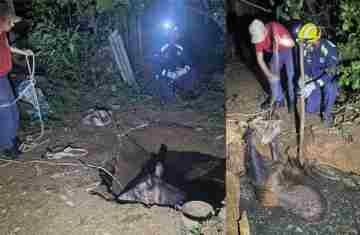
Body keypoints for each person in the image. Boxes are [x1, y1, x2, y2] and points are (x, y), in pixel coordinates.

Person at [0, 3, 34, 158]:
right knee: (6, 110)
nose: (13, 24)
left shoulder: (2, 34)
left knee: (12, 108)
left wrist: (23, 52)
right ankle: (7, 146)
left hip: (3, 76)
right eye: (10, 21)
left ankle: (12, 138)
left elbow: (7, 48)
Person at [295, 23, 339, 127]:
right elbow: (304, 65)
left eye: (306, 41)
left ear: (315, 39)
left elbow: (331, 72)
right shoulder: (306, 48)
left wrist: (313, 85)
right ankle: (318, 104)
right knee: (310, 110)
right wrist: (303, 78)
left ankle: (327, 115)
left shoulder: (329, 48)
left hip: (328, 78)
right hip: (313, 76)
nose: (304, 44)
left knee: (330, 88)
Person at [249, 19, 296, 112]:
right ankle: (278, 99)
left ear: (264, 31)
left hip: (287, 50)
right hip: (275, 54)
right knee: (273, 77)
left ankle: (292, 101)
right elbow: (260, 59)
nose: (259, 41)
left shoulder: (276, 28)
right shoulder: (257, 38)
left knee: (291, 76)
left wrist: (280, 41)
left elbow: (292, 43)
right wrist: (269, 75)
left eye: (260, 37)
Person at [154, 23, 193, 103]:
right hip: (165, 75)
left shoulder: (181, 48)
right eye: (171, 34)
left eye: (176, 34)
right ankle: (167, 95)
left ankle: (184, 93)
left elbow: (189, 64)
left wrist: (180, 72)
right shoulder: (161, 47)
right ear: (167, 35)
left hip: (178, 74)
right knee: (170, 98)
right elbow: (156, 65)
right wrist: (168, 73)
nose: (173, 36)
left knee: (193, 74)